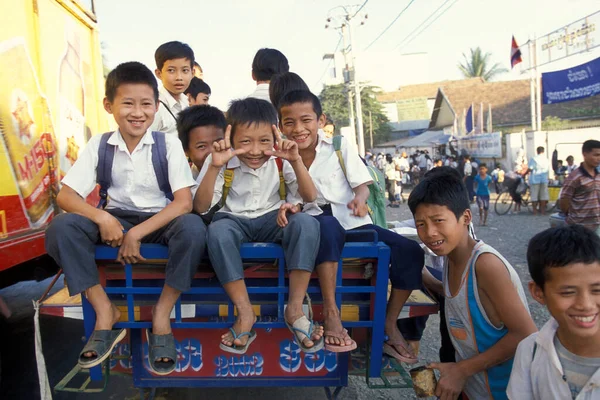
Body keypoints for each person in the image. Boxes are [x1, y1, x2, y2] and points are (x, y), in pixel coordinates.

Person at [45, 62, 204, 375]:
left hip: (160, 220)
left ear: (156, 107)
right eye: (127, 103)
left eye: (146, 104)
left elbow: (184, 203)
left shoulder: (166, 144)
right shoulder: (100, 145)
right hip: (115, 218)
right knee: (61, 228)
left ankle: (162, 314)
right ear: (109, 105)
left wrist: (137, 234)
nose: (138, 112)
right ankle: (105, 311)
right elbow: (65, 197)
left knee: (194, 230)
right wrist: (101, 218)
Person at [277, 90, 425, 362]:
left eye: (306, 120)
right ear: (281, 125)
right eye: (289, 122)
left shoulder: (337, 145)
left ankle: (389, 323)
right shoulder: (281, 157)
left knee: (411, 251)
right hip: (315, 227)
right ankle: (332, 313)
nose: (298, 129)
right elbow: (294, 200)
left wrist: (359, 199)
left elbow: (362, 186)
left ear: (320, 120)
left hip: (352, 222)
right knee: (328, 225)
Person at [194, 98, 323, 354]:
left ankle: (295, 310)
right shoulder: (220, 161)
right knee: (217, 232)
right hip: (232, 220)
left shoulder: (280, 159)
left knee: (307, 225)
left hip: (273, 218)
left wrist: (296, 161)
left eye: (264, 141)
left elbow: (309, 197)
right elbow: (200, 207)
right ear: (231, 139)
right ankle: (245, 314)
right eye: (245, 142)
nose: (255, 150)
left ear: (275, 137)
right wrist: (214, 166)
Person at [408, 171, 537, 399]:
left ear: (466, 217)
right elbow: (462, 296)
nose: (429, 233)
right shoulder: (452, 257)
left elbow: (525, 333)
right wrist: (422, 275)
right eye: (421, 224)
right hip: (475, 388)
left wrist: (462, 370)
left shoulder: (486, 265)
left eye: (438, 220)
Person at [507, 225, 600, 399]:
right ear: (538, 293)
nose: (586, 304)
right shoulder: (530, 351)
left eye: (597, 290)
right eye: (567, 292)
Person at [150, 41, 195, 136]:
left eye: (185, 70)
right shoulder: (154, 108)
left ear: (192, 72)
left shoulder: (187, 103)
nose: (179, 77)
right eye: (171, 70)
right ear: (159, 73)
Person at [559, 140, 600, 236]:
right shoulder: (574, 177)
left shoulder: (599, 175)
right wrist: (574, 216)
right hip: (578, 227)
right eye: (596, 155)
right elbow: (564, 201)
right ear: (585, 154)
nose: (599, 158)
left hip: (597, 226)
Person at [177, 104, 225, 179]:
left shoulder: (240, 173)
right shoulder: (185, 181)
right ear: (185, 150)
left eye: (218, 143)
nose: (211, 152)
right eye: (201, 146)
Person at [528, 146, 550, 216]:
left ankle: (535, 211)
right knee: (543, 196)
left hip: (535, 179)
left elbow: (530, 168)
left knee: (534, 196)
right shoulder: (547, 159)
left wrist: (525, 173)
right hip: (544, 179)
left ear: (537, 151)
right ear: (543, 151)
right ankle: (543, 211)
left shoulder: (534, 159)